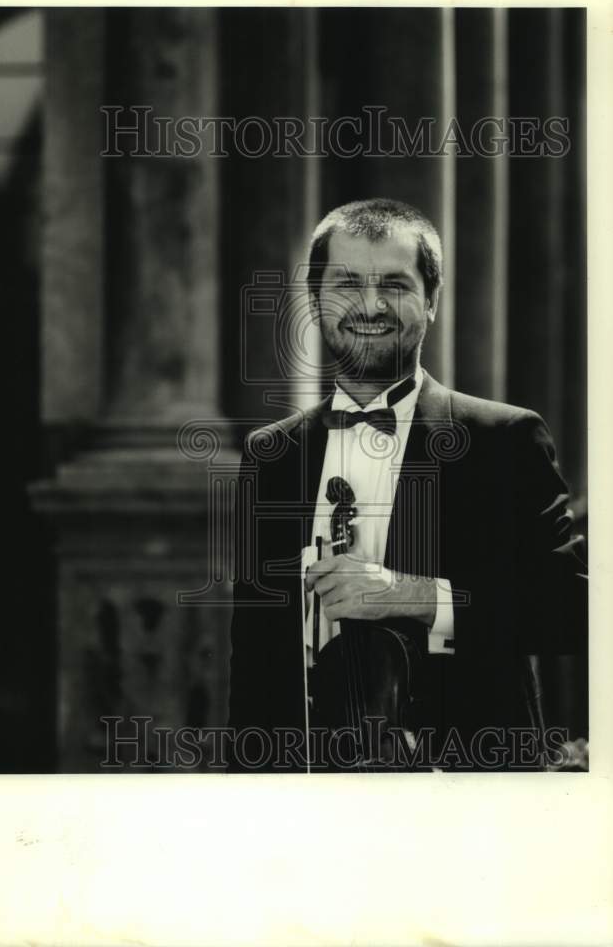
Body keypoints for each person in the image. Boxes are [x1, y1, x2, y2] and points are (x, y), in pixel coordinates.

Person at [228, 198, 587, 772]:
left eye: (395, 284)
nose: (370, 305)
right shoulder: (271, 454)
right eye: (347, 283)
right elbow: (253, 660)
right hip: (307, 800)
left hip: (470, 794)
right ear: (316, 302)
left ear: (432, 301)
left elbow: (572, 610)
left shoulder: (506, 439)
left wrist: (412, 594)